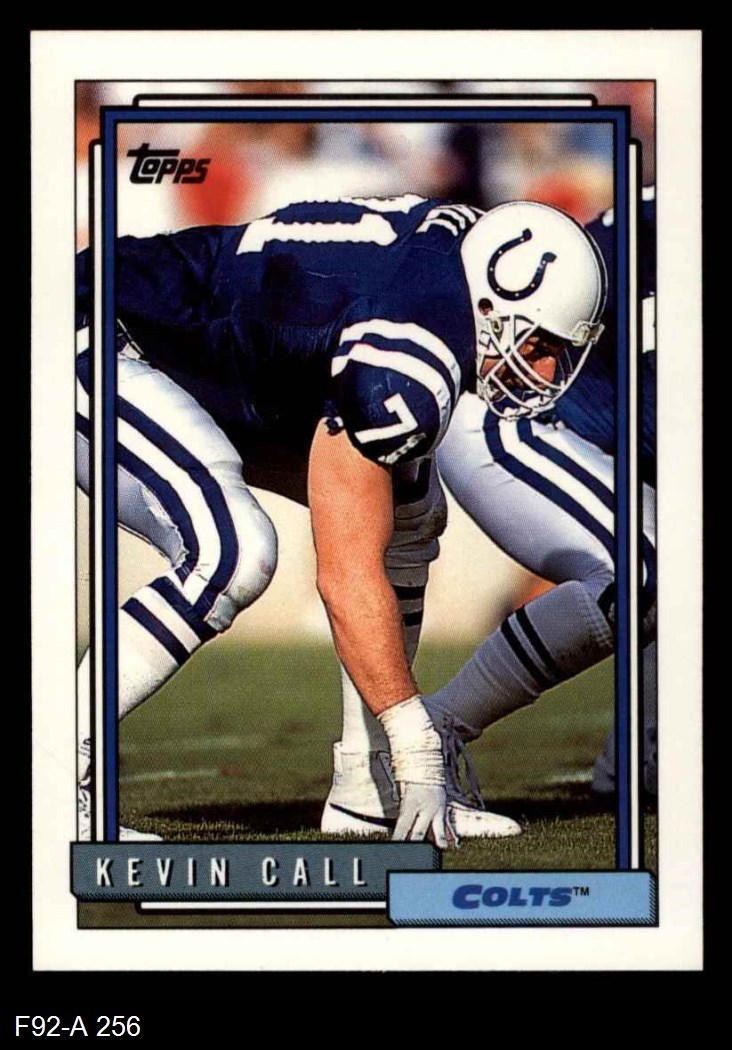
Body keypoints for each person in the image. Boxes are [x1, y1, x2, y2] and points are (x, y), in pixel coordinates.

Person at [75, 193, 607, 843]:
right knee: (234, 552)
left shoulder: (461, 265)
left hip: (210, 358)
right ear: (494, 306)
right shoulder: (409, 347)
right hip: (103, 333)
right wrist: (417, 744)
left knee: (408, 507)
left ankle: (368, 790)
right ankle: (54, 769)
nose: (545, 368)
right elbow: (346, 575)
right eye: (540, 343)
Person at [322, 190, 657, 836]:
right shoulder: (654, 222)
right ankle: (434, 733)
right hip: (514, 405)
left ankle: (640, 757)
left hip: (575, 422)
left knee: (664, 565)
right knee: (642, 570)